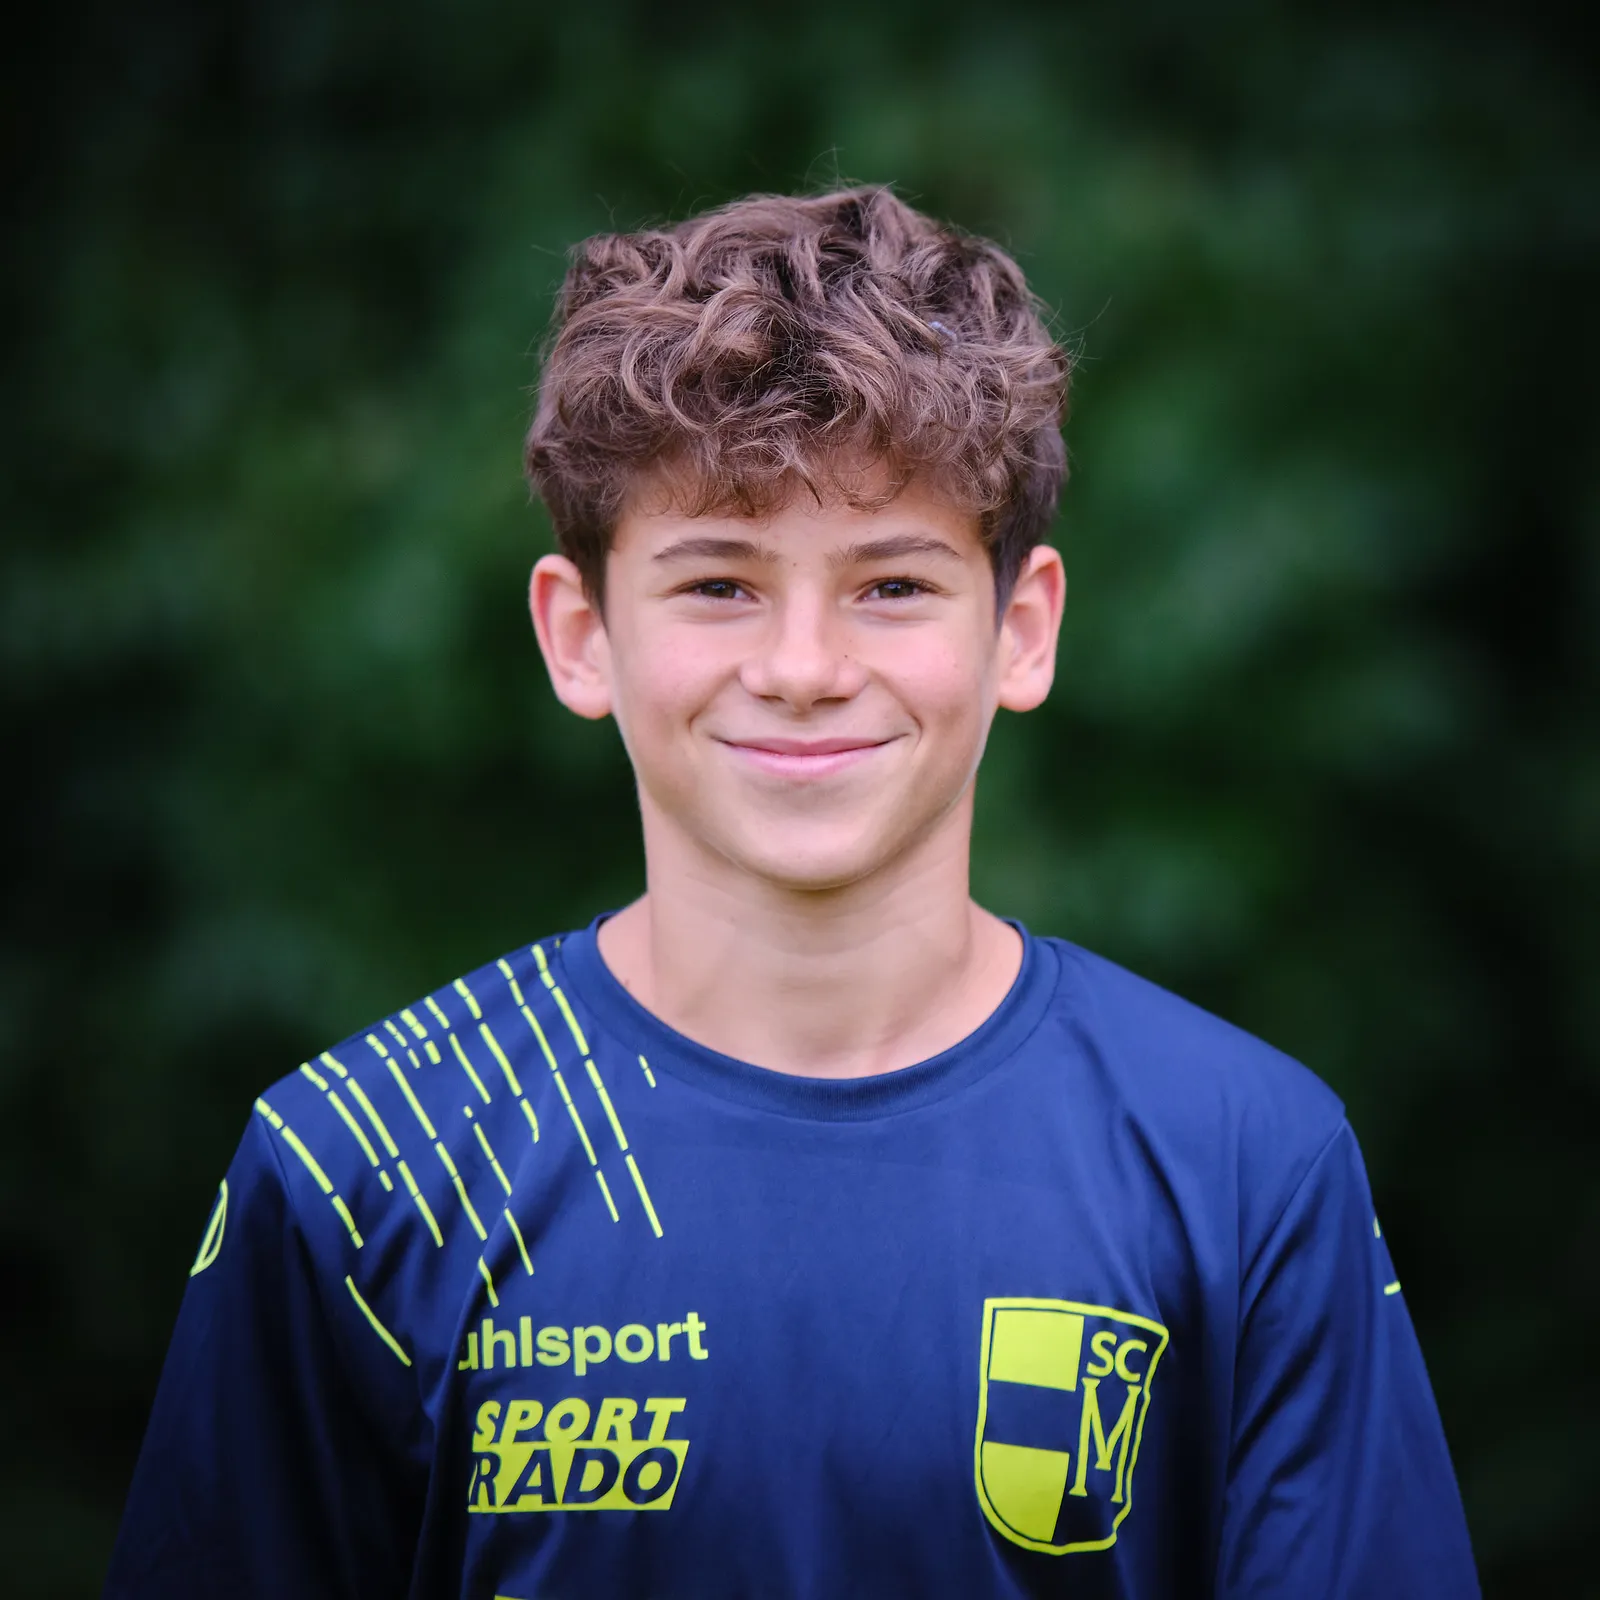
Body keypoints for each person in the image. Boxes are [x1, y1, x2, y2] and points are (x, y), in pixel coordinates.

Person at [104, 186, 1480, 1599]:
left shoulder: (1245, 1163)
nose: (805, 667)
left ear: (1022, 630)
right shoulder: (362, 1174)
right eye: (719, 585)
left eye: (892, 586)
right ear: (581, 637)